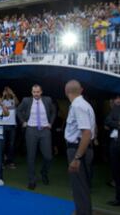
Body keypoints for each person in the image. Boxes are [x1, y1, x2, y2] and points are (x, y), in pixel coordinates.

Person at [64, 80, 95, 215]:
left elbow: (86, 133)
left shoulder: (78, 106)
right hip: (82, 148)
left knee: (79, 187)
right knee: (82, 186)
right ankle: (83, 211)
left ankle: (83, 212)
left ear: (66, 92)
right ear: (80, 90)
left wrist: (77, 157)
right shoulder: (85, 104)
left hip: (78, 149)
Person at [17, 84, 56, 190]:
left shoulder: (47, 100)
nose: (36, 94)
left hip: (45, 130)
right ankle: (32, 180)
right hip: (31, 130)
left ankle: (44, 172)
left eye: (38, 92)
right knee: (31, 157)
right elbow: (18, 110)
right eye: (34, 92)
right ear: (31, 92)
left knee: (48, 156)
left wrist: (50, 123)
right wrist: (23, 122)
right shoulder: (26, 101)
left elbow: (53, 111)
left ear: (41, 92)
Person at [105, 94, 120, 206]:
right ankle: (118, 199)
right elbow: (107, 121)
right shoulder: (115, 109)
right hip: (115, 144)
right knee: (116, 172)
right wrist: (118, 124)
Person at [2, 86, 19, 169]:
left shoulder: (13, 100)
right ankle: (3, 162)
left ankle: (10, 161)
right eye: (6, 91)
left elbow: (17, 102)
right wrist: (3, 95)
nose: (7, 92)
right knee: (3, 144)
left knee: (11, 145)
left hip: (12, 125)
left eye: (8, 91)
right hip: (4, 125)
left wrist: (12, 93)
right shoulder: (3, 101)